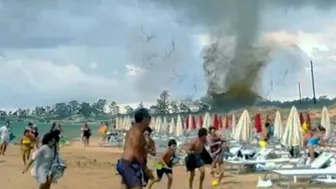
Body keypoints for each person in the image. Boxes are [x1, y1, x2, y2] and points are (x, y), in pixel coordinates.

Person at [116, 108, 154, 189]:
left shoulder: (136, 131)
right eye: (149, 117)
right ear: (144, 118)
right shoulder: (136, 133)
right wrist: (145, 169)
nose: (150, 120)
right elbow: (136, 154)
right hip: (129, 165)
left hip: (127, 164)